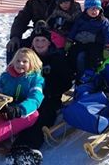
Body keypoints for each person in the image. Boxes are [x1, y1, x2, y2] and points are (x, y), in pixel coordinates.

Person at [6, 21, 73, 165]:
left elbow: (67, 81)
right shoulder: (26, 58)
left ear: (49, 42)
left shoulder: (57, 58)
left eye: (43, 40)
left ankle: (24, 147)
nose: (40, 43)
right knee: (4, 107)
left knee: (40, 117)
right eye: (37, 40)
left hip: (48, 98)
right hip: (22, 93)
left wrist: (49, 90)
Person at [6, 0, 58, 64]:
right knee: (13, 46)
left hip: (56, 36)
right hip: (37, 36)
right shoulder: (32, 3)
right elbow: (21, 19)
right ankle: (13, 76)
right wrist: (15, 36)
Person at [65, 0, 109, 82]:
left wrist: (107, 46)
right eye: (91, 9)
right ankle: (73, 73)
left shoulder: (103, 21)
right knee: (74, 52)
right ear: (86, 9)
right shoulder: (81, 19)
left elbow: (108, 33)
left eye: (96, 9)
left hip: (95, 43)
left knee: (94, 55)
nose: (94, 11)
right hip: (81, 42)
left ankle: (90, 72)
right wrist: (69, 40)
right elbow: (74, 29)